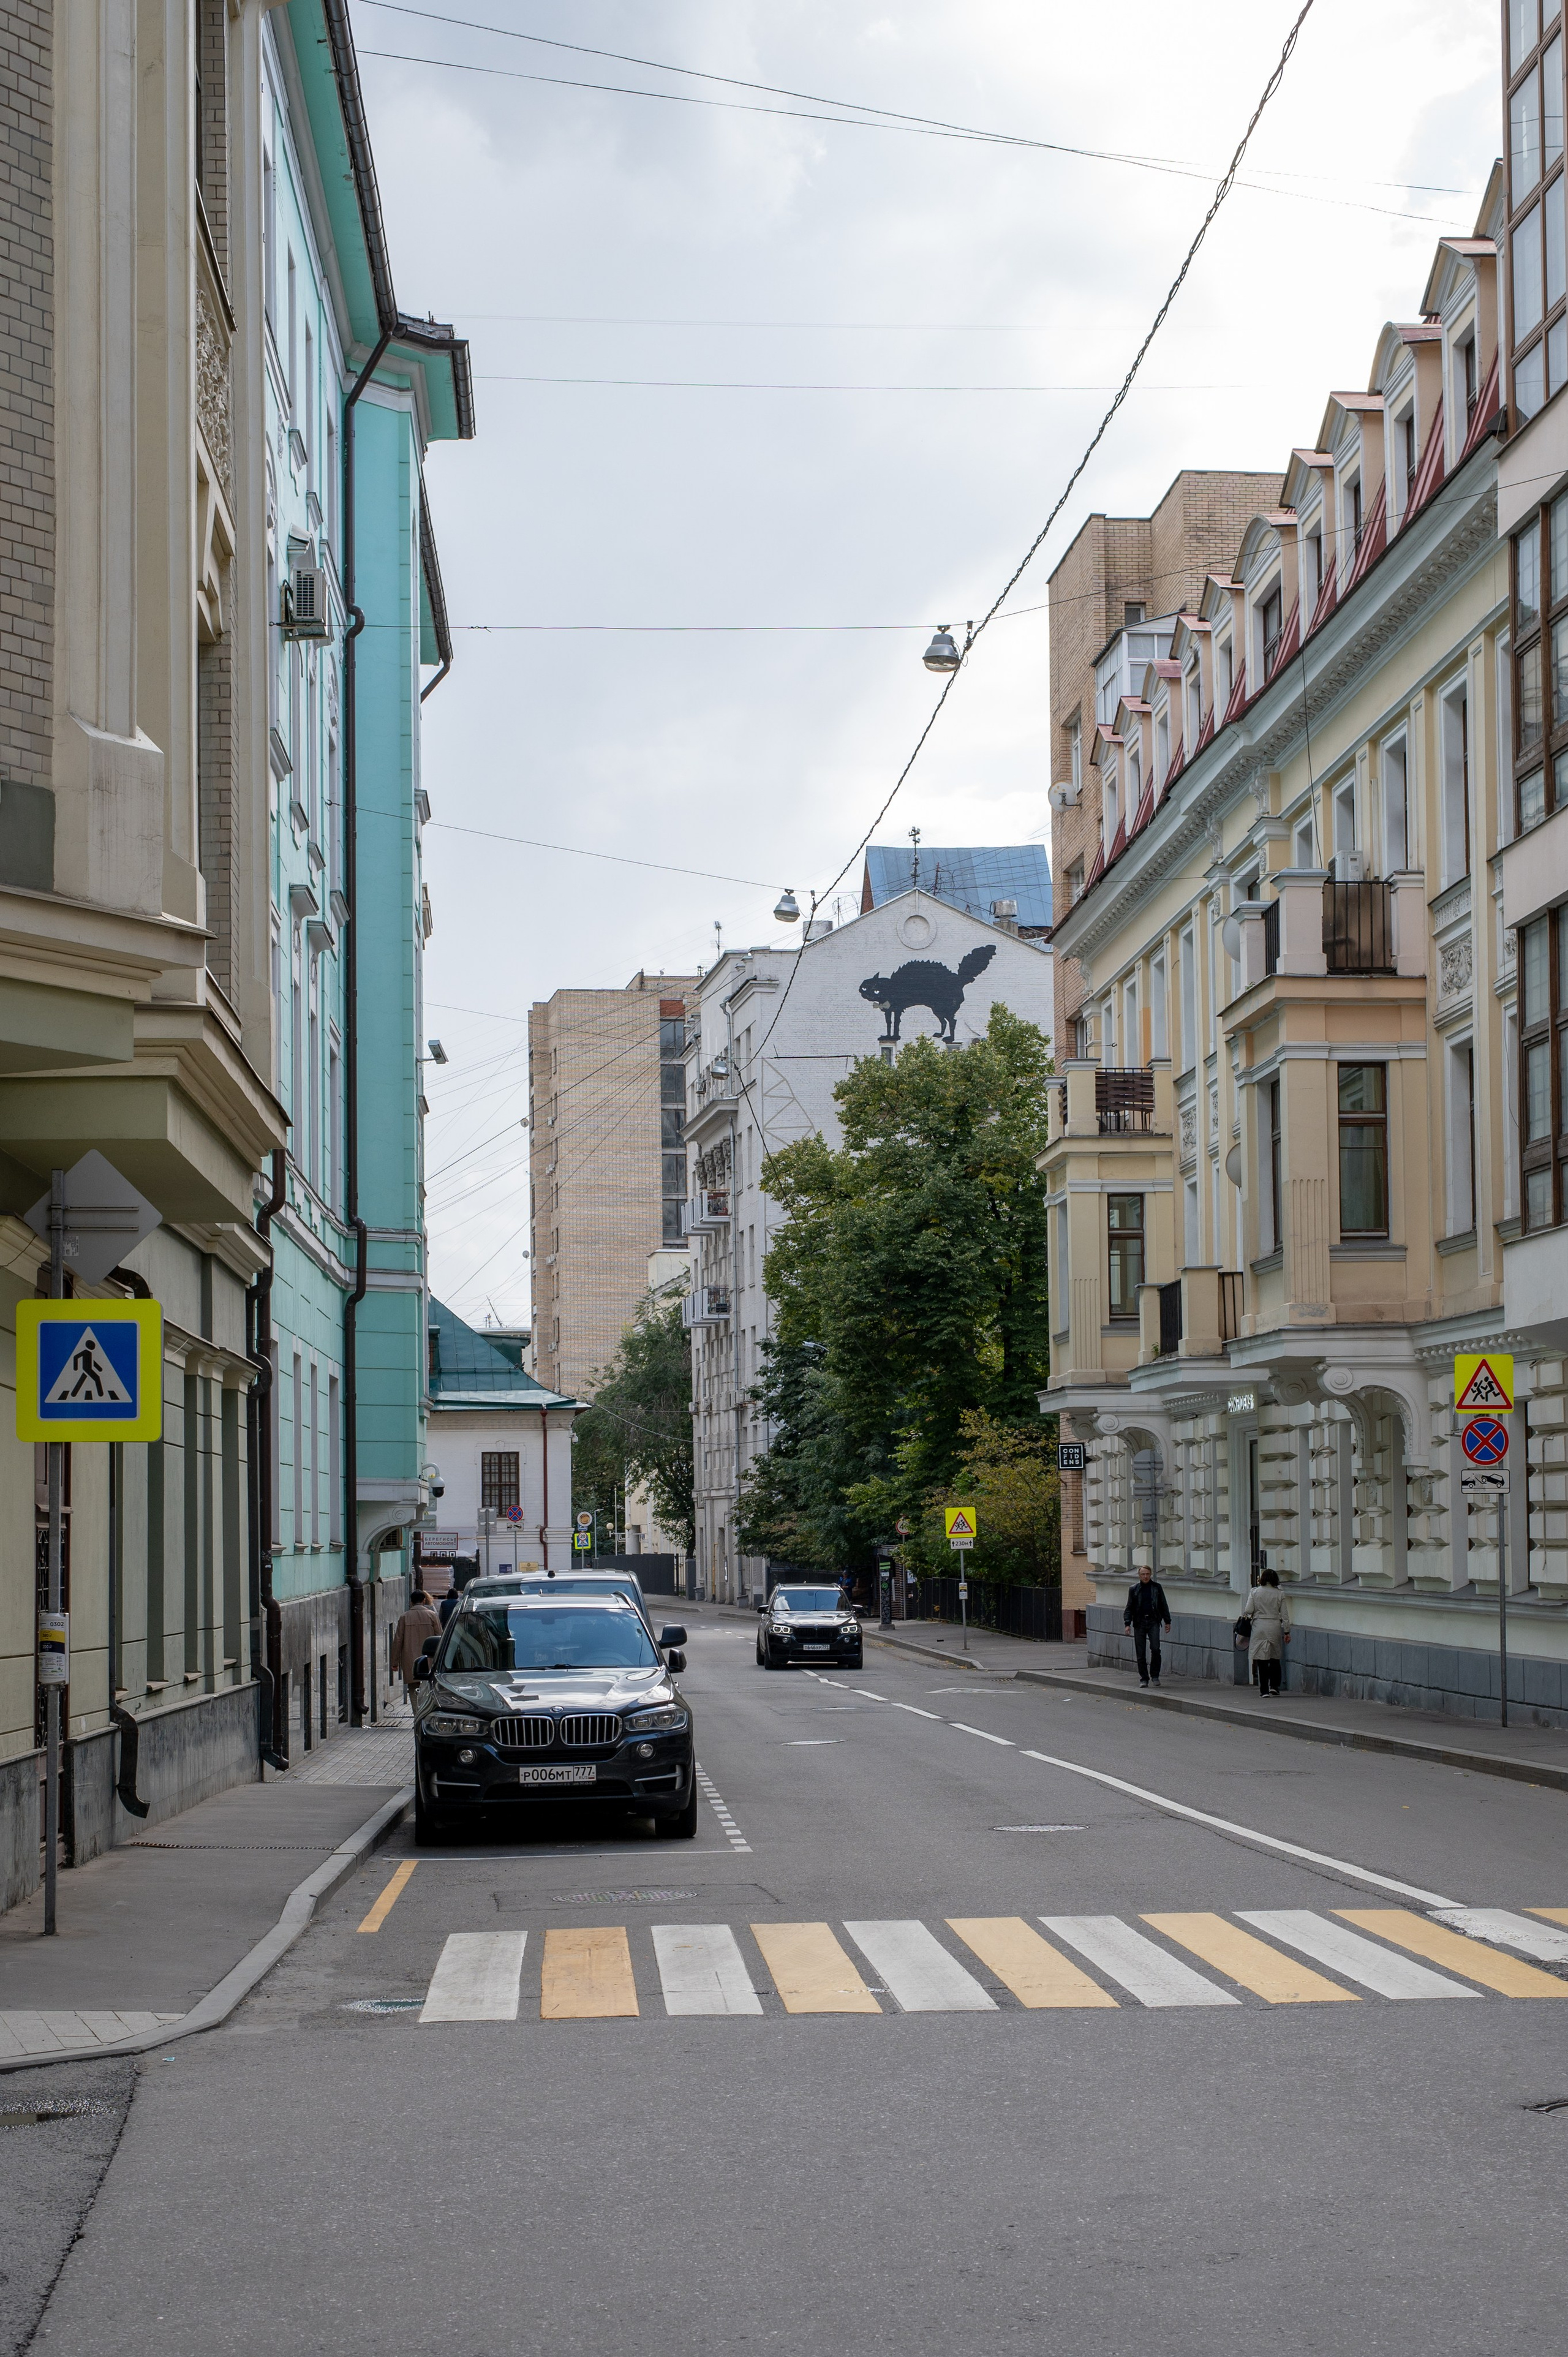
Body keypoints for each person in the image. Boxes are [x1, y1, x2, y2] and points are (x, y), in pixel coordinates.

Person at [1123, 1564, 1172, 1688]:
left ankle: (1155, 1675)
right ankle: (1144, 1679)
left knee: (1156, 1649)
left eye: (1148, 1574)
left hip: (1153, 1622)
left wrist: (1167, 1621)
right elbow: (1129, 1608)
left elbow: (1163, 1604)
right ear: (1139, 1576)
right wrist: (1127, 1624)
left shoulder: (1156, 1588)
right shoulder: (1134, 1589)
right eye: (1143, 1574)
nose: (1145, 1576)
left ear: (1151, 1575)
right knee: (1141, 1652)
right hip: (1139, 1623)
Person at [1247, 1567, 1291, 1695]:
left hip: (1259, 1626)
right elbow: (1285, 1615)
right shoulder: (1280, 1594)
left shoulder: (1254, 1592)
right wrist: (1287, 1632)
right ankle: (1275, 1686)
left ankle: (1264, 1690)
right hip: (1274, 1626)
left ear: (1263, 1579)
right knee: (1275, 1657)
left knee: (1262, 1659)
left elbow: (1249, 1610)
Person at [390, 1588, 440, 1698]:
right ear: (424, 1601)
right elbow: (440, 1637)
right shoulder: (432, 1615)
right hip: (430, 1660)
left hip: (410, 1660)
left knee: (413, 1689)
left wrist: (394, 1662)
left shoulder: (404, 1617)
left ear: (411, 1602)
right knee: (430, 1687)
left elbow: (398, 1640)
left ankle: (417, 1714)